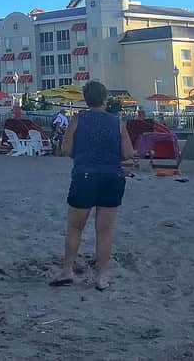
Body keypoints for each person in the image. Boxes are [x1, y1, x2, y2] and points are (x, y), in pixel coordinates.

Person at [51, 80, 134, 291]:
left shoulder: (78, 120)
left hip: (85, 175)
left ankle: (67, 270)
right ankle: (102, 276)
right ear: (105, 99)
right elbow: (127, 154)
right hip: (111, 176)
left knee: (75, 227)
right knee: (104, 230)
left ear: (85, 100)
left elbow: (67, 149)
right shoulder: (117, 122)